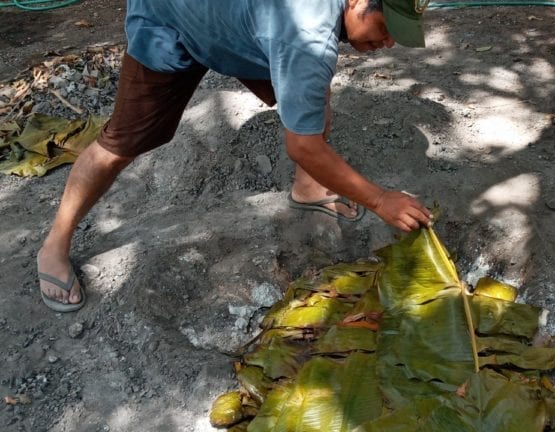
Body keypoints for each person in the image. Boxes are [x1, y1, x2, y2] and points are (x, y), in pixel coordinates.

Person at [36, 0, 434, 313]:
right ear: (358, 1)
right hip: (170, 18)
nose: (388, 44)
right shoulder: (307, 39)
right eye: (385, 29)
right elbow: (303, 145)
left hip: (241, 23)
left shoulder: (309, 37)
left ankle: (309, 187)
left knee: (310, 96)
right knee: (120, 144)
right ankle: (54, 245)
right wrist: (380, 199)